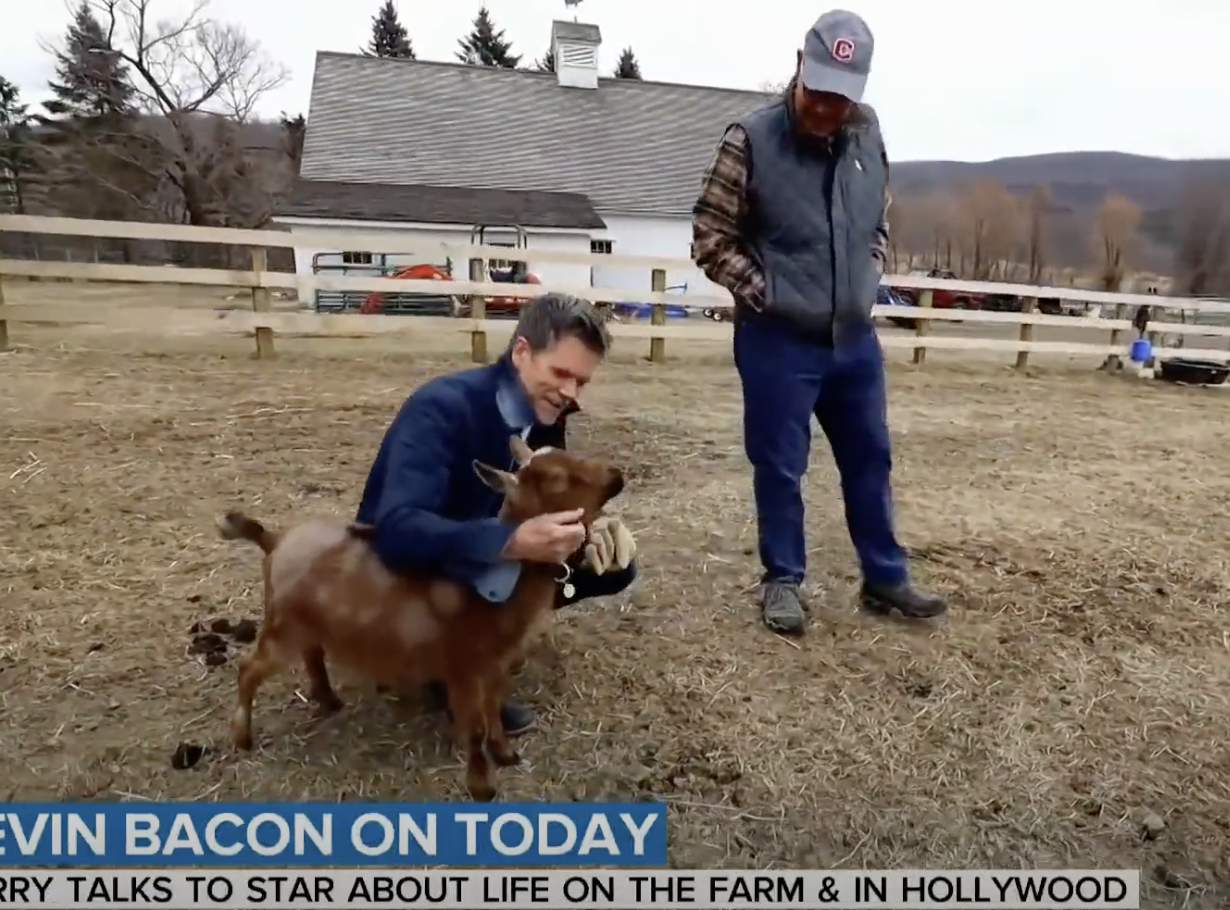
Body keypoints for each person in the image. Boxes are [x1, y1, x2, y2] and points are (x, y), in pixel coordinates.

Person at [691, 9, 946, 636]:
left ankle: (884, 575)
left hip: (853, 340)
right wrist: (768, 294)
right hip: (778, 339)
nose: (828, 106)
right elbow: (709, 237)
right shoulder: (747, 140)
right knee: (780, 465)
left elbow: (877, 215)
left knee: (870, 456)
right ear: (800, 64)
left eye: (842, 95)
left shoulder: (868, 133)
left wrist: (870, 270)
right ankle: (783, 579)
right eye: (820, 88)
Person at [353, 293, 639, 735]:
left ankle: (496, 632)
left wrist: (586, 524)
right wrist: (510, 542)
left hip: (481, 554)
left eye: (580, 382)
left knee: (614, 568)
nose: (569, 393)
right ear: (521, 352)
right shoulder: (441, 408)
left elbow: (541, 495)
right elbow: (395, 531)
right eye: (561, 373)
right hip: (407, 572)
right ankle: (441, 665)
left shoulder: (544, 412)